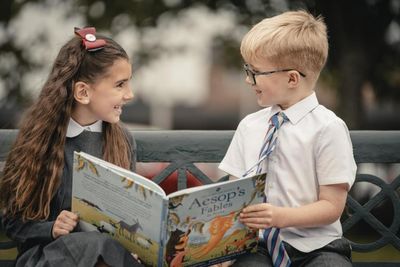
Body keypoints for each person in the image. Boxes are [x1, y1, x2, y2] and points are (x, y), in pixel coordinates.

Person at [218, 10, 357, 267]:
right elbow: (235, 195)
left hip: (317, 246)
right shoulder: (250, 126)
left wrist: (280, 217)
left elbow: (332, 207)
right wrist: (220, 251)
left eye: (255, 71)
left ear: (292, 78)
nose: (248, 79)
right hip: (257, 247)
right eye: (247, 69)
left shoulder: (329, 128)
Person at [0, 27, 143, 267]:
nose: (130, 94)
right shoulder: (40, 140)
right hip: (50, 257)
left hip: (107, 258)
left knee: (104, 247)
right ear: (83, 92)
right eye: (120, 85)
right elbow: (14, 222)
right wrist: (52, 228)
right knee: (98, 245)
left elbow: (128, 217)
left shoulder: (123, 141)